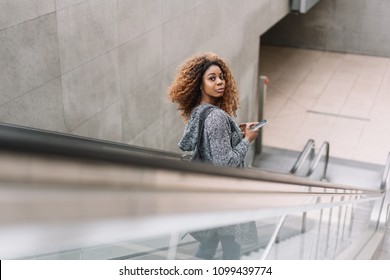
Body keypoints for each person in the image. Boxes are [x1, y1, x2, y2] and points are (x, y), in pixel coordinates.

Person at [168, 52, 260, 259]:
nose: (220, 82)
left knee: (209, 245)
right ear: (199, 84)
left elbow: (212, 145)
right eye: (212, 78)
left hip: (209, 196)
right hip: (225, 198)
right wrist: (248, 140)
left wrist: (235, 131)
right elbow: (225, 162)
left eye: (221, 76)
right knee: (232, 250)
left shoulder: (199, 111)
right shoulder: (216, 117)